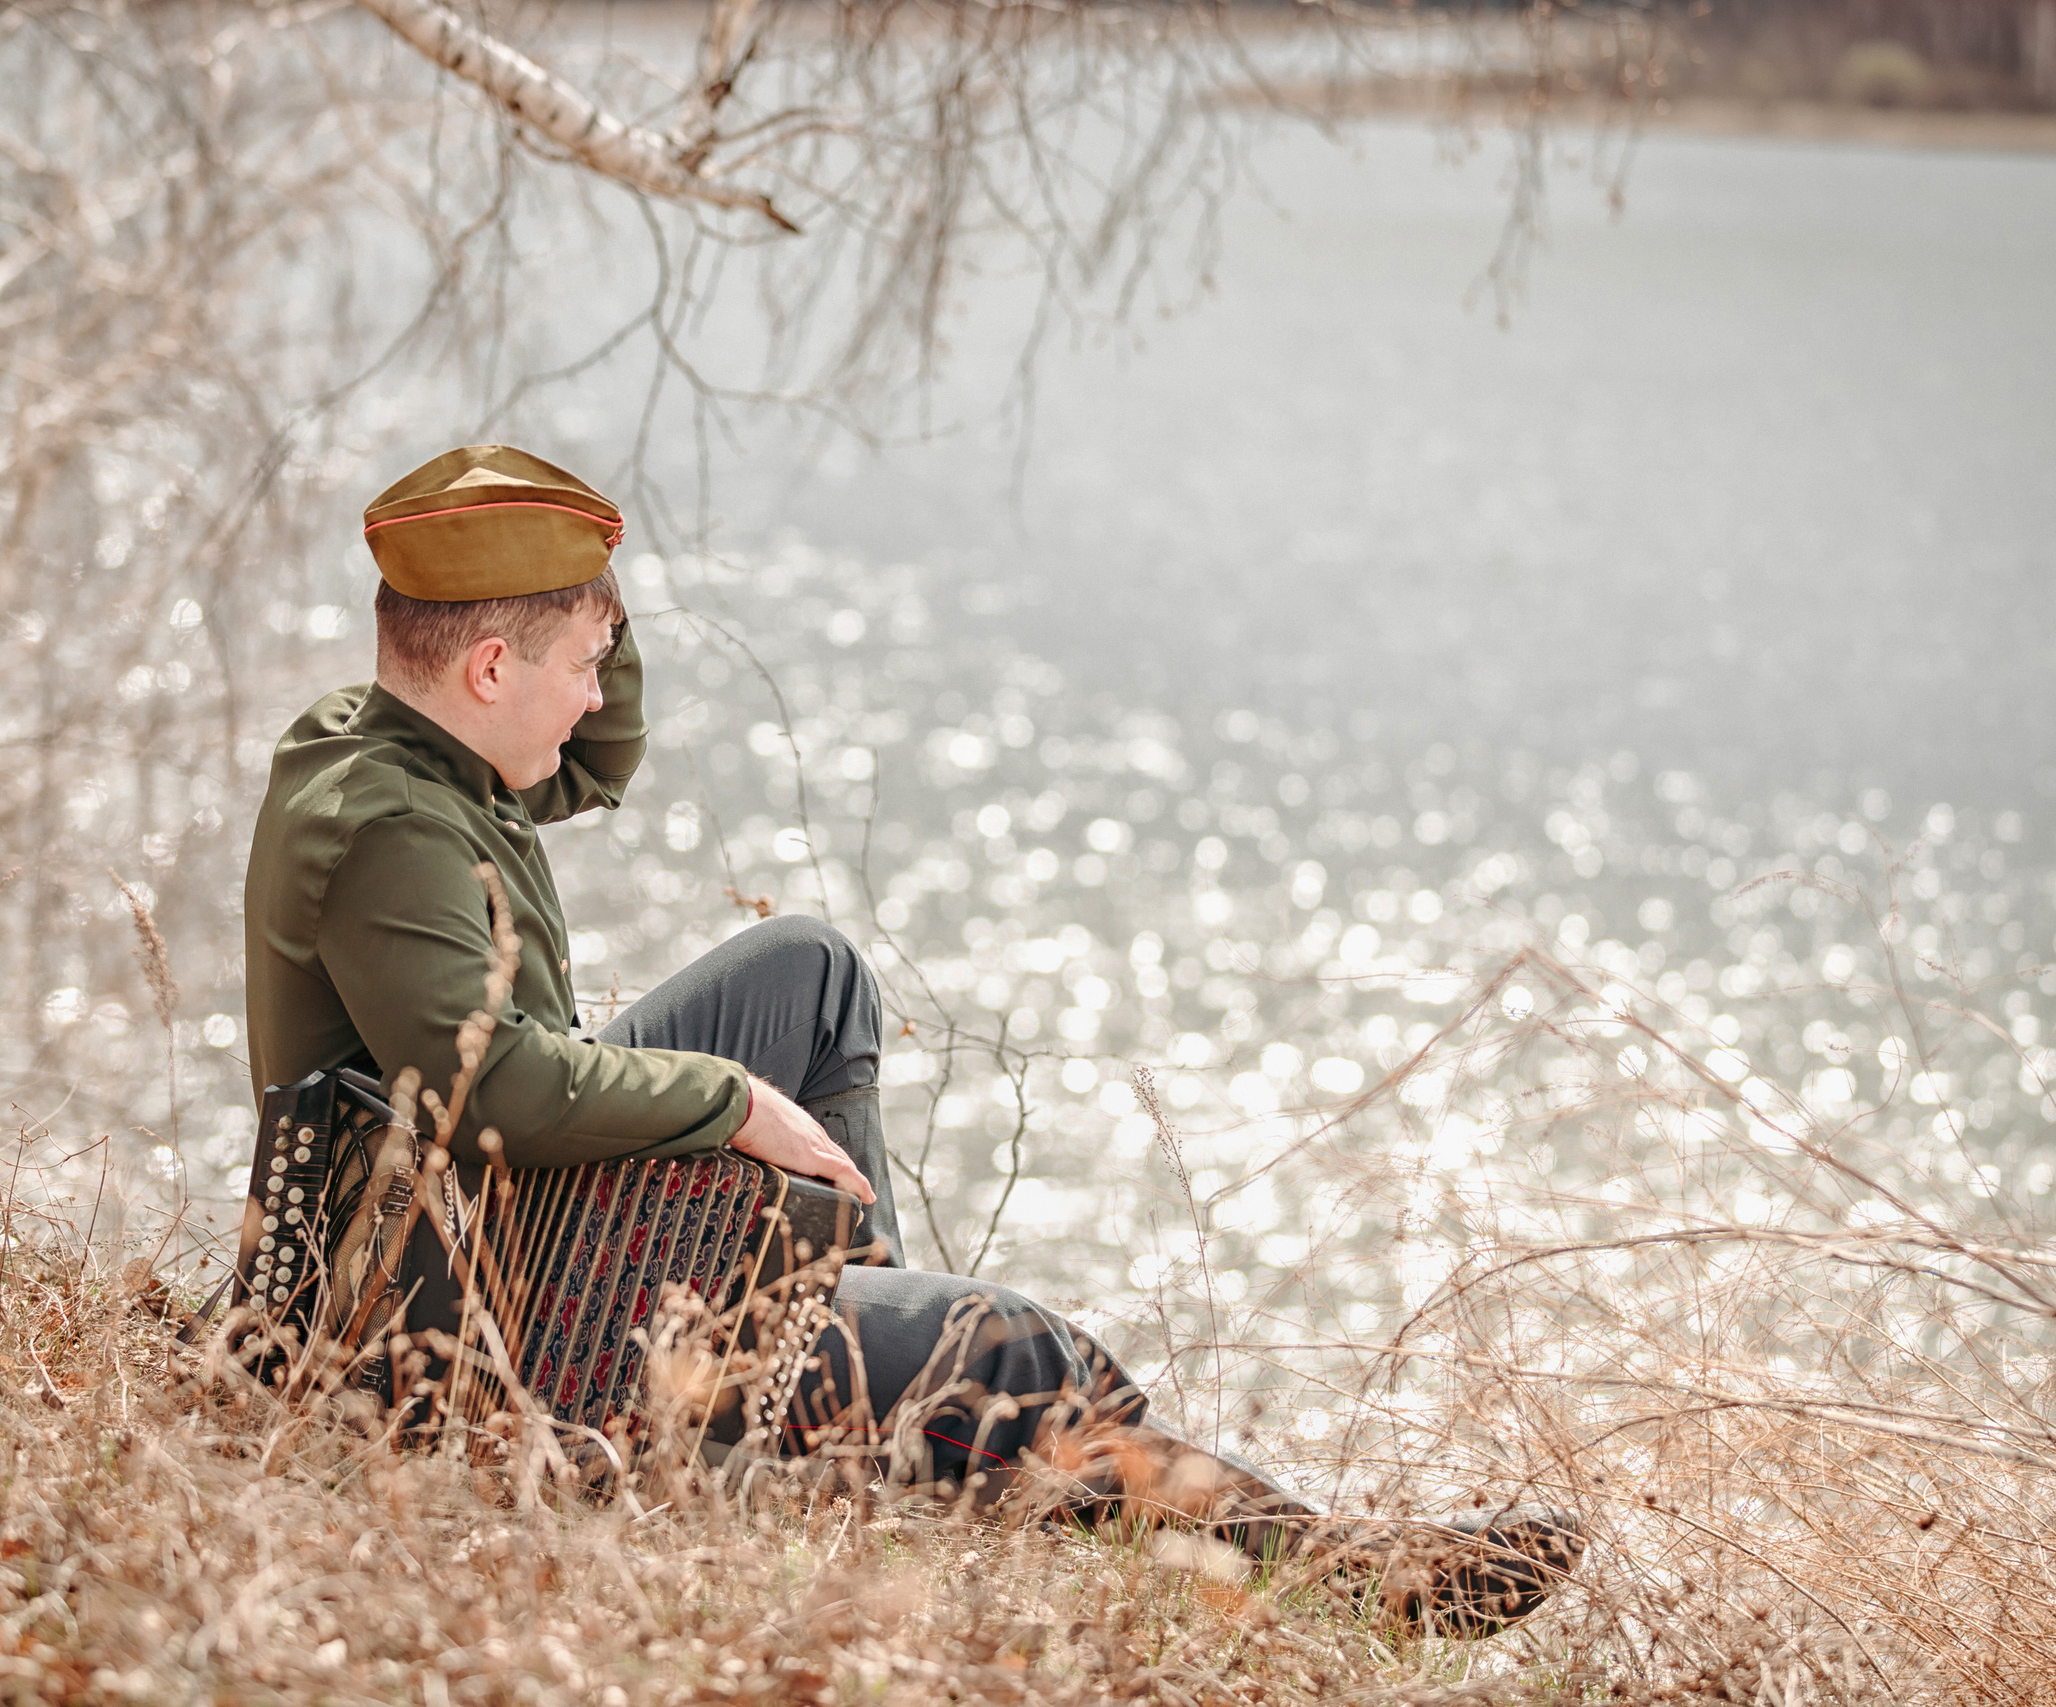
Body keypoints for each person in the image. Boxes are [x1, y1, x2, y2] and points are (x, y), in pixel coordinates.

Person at [242, 444, 1581, 1632]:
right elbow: (504, 1091)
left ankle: (841, 1355)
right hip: (460, 1315)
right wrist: (728, 1102)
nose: (600, 696)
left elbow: (595, 764)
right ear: (487, 669)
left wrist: (583, 589)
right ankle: (1352, 1576)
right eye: (581, 666)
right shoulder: (392, 828)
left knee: (807, 972)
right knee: (1011, 1349)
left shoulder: (406, 739)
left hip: (498, 1215)